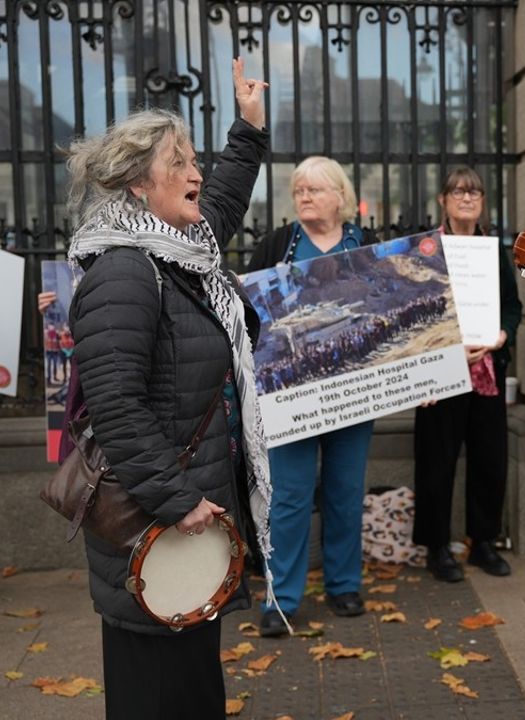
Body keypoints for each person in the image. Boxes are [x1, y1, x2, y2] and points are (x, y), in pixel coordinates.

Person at [64, 58, 270, 719]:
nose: (196, 174)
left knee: (190, 685)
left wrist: (249, 128)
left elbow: (222, 200)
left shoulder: (181, 253)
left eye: (194, 161)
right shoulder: (125, 272)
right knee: (155, 693)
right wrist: (179, 501)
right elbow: (117, 409)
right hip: (157, 522)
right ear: (136, 183)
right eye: (178, 164)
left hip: (186, 518)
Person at [245, 156, 380, 637]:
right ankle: (281, 598)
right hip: (291, 397)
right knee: (289, 498)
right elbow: (248, 309)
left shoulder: (366, 244)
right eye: (299, 189)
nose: (303, 196)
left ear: (340, 196)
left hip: (353, 393)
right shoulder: (277, 244)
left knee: (345, 492)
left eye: (314, 189)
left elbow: (390, 304)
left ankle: (344, 585)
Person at [413, 168, 520, 582]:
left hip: (486, 371)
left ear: (483, 201)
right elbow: (415, 312)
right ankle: (437, 547)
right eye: (458, 191)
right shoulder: (427, 249)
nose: (466, 198)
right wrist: (446, 345)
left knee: (489, 460)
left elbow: (511, 306)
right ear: (443, 200)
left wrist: (501, 335)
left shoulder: (494, 250)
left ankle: (484, 542)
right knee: (436, 462)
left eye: (474, 191)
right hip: (440, 371)